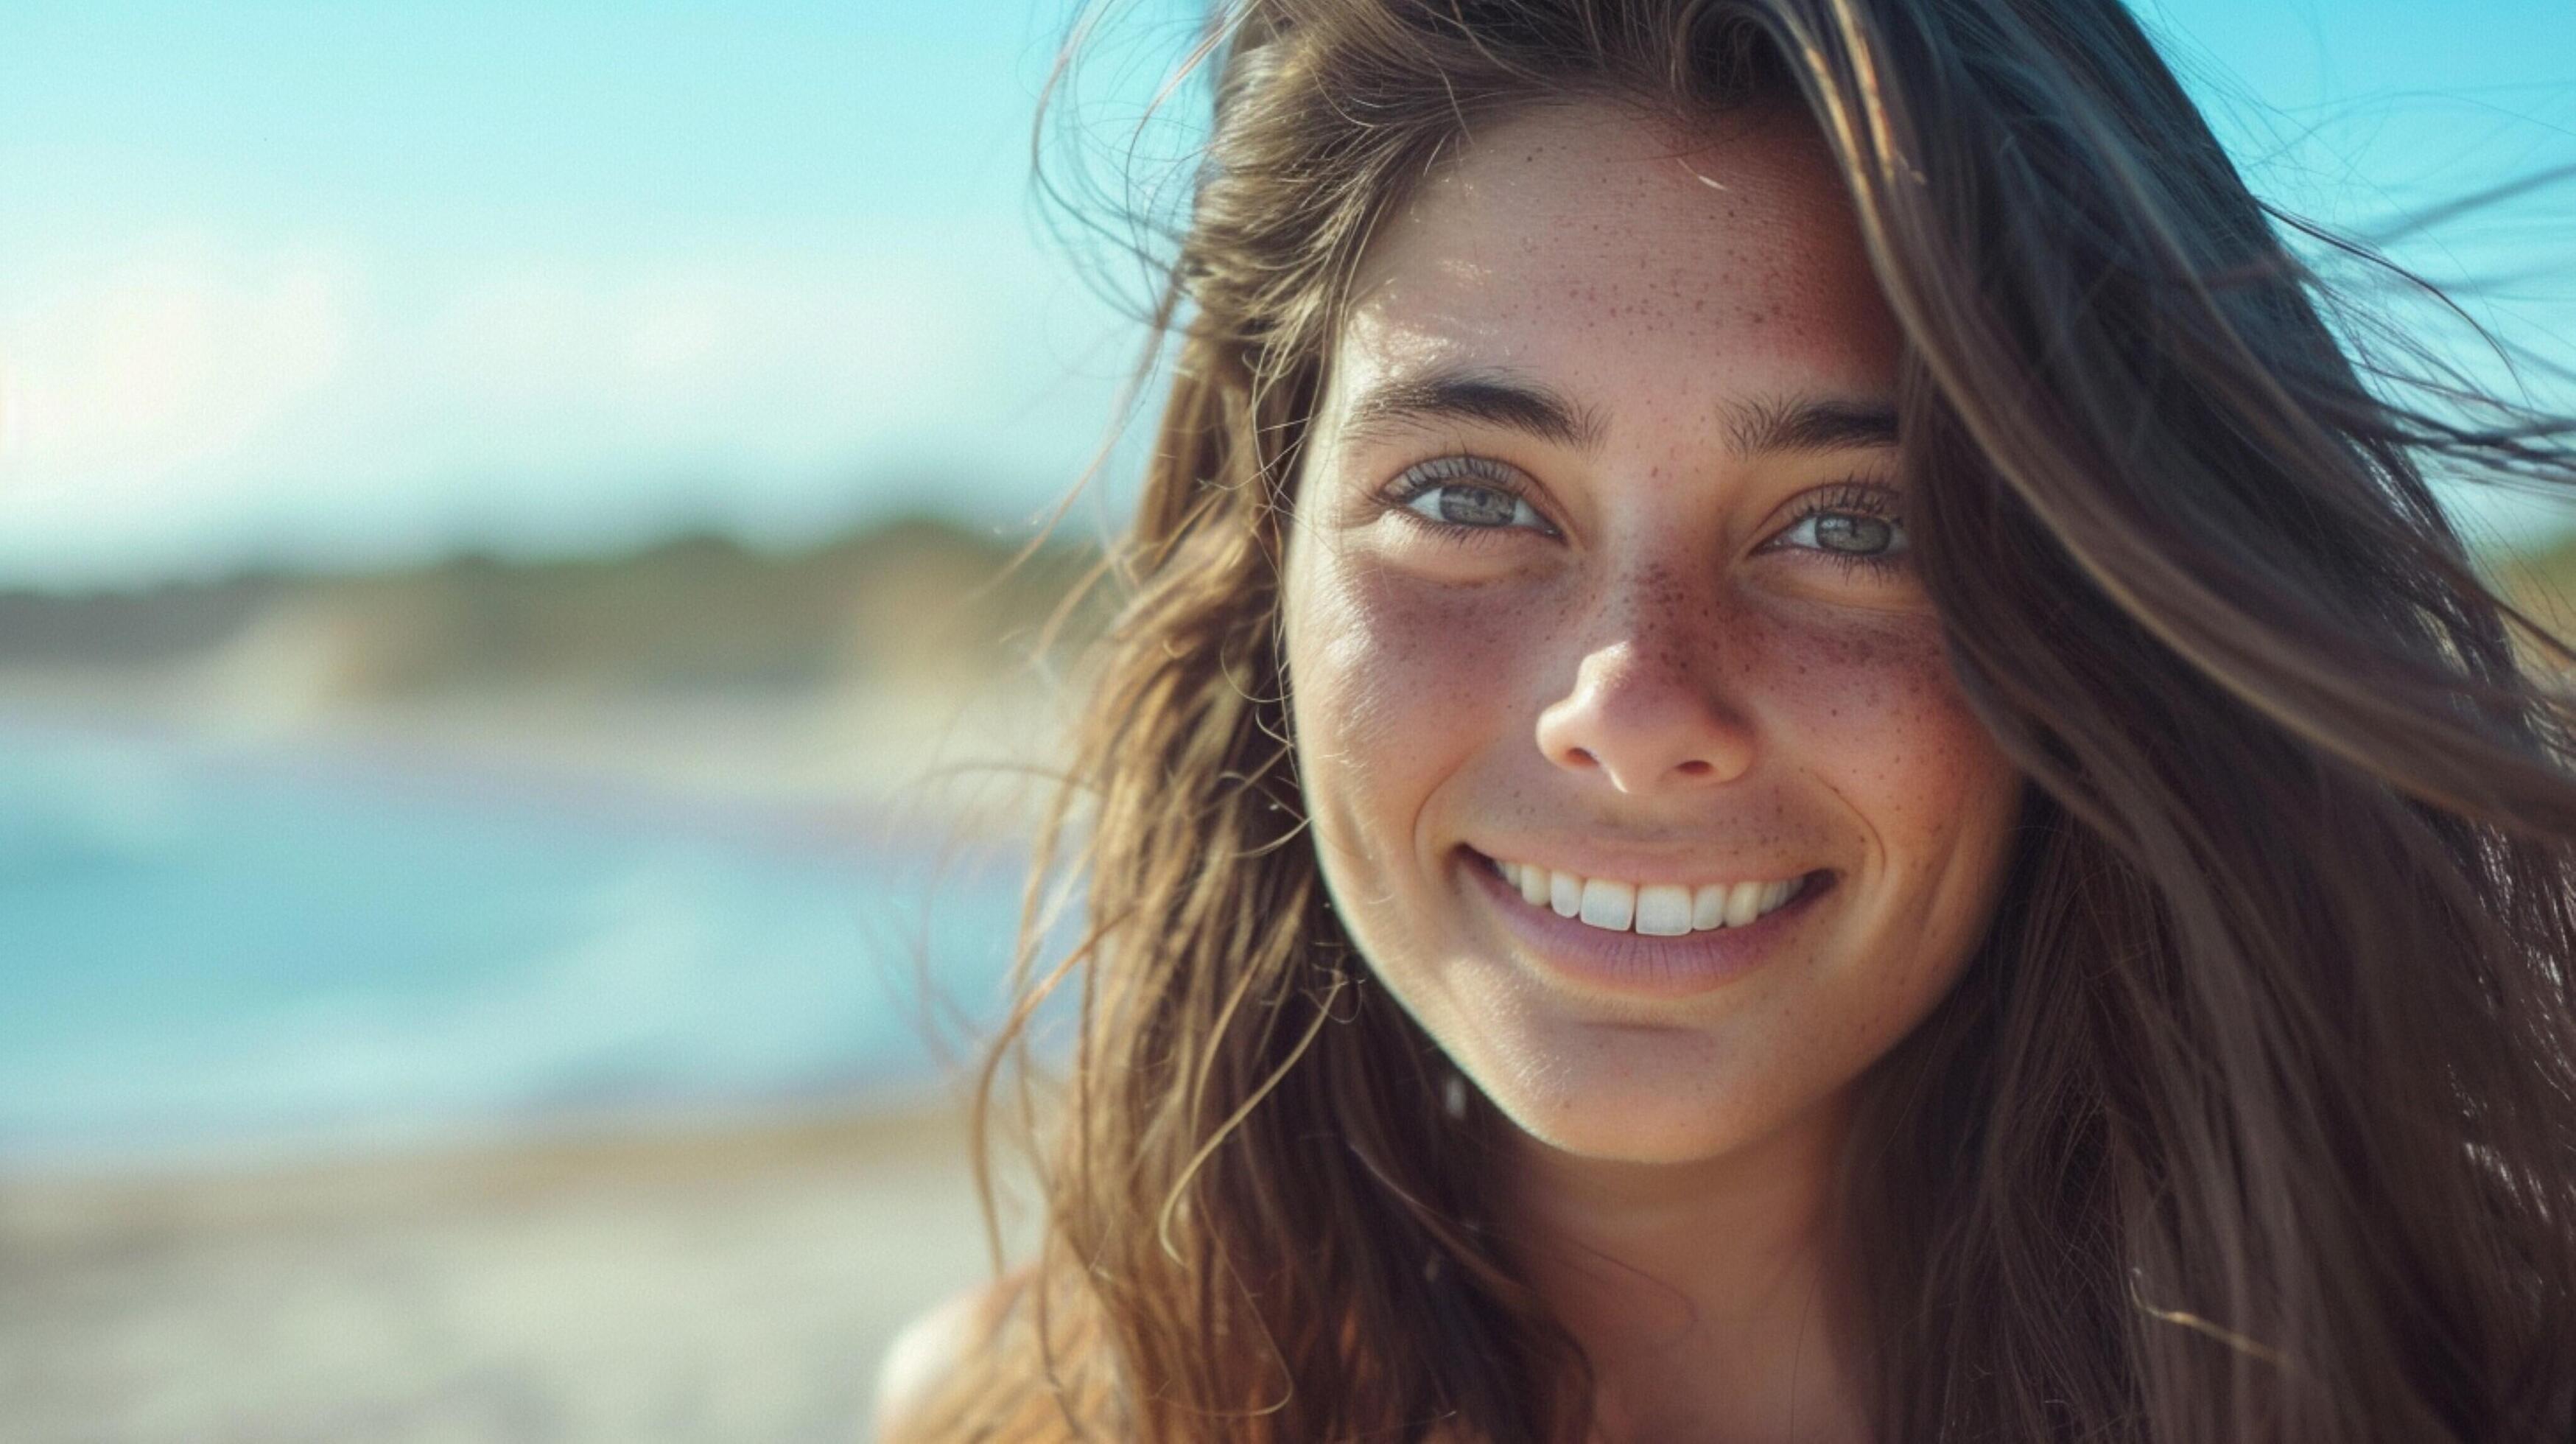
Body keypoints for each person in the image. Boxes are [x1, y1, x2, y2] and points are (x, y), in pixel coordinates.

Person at [879, 0, 2576, 1439]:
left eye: (1857, 525)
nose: (1631, 709)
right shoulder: (1028, 1406)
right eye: (1472, 494)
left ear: (2104, 613)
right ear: (1270, 570)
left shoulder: (2468, 1377)